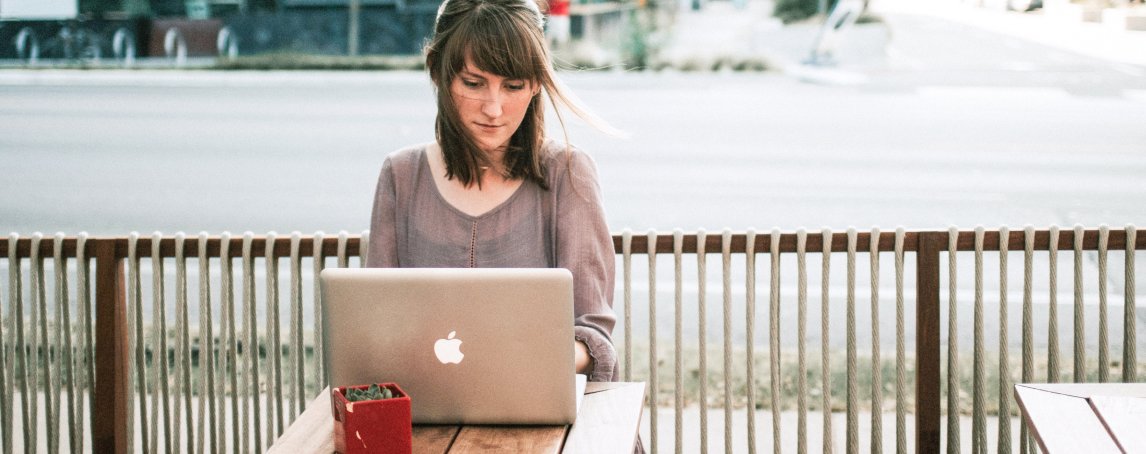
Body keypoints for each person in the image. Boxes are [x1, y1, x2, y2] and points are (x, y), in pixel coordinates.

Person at [365, 0, 619, 383]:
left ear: (536, 84)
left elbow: (593, 336)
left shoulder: (569, 173)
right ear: (438, 72)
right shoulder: (400, 176)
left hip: (544, 422)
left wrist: (527, 360)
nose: (494, 109)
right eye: (473, 83)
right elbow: (377, 324)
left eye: (513, 86)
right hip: (428, 417)